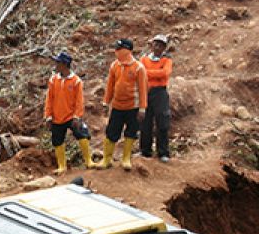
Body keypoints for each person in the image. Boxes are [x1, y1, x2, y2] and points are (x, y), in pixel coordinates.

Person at [44, 50, 94, 175]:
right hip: (57, 117)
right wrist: (48, 116)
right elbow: (49, 99)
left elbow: (79, 101)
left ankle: (88, 161)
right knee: (57, 140)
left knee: (82, 134)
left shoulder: (76, 81)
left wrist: (77, 116)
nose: (56, 65)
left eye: (58, 62)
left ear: (64, 64)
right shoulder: (53, 80)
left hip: (71, 116)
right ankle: (62, 166)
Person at [101, 38, 148, 170]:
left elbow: (143, 89)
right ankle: (107, 159)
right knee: (111, 132)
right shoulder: (114, 66)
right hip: (117, 106)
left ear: (127, 51)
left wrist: (142, 108)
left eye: (119, 49)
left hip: (132, 106)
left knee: (131, 132)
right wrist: (106, 102)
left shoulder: (139, 68)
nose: (116, 52)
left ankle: (126, 158)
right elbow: (110, 85)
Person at [140, 34, 173, 162]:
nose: (158, 47)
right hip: (146, 91)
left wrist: (148, 73)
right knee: (145, 122)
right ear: (152, 45)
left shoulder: (167, 60)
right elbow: (140, 73)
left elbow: (165, 73)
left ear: (164, 47)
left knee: (162, 122)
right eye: (156, 44)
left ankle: (163, 152)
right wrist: (156, 74)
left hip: (160, 93)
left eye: (161, 45)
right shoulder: (144, 59)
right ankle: (145, 151)